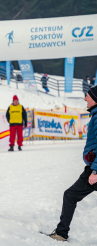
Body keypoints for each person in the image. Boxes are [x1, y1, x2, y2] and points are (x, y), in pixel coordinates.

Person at [47, 86, 97, 242]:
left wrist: (95, 171)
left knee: (70, 195)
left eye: (87, 96)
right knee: (70, 195)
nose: (85, 99)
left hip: (94, 169)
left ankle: (61, 233)